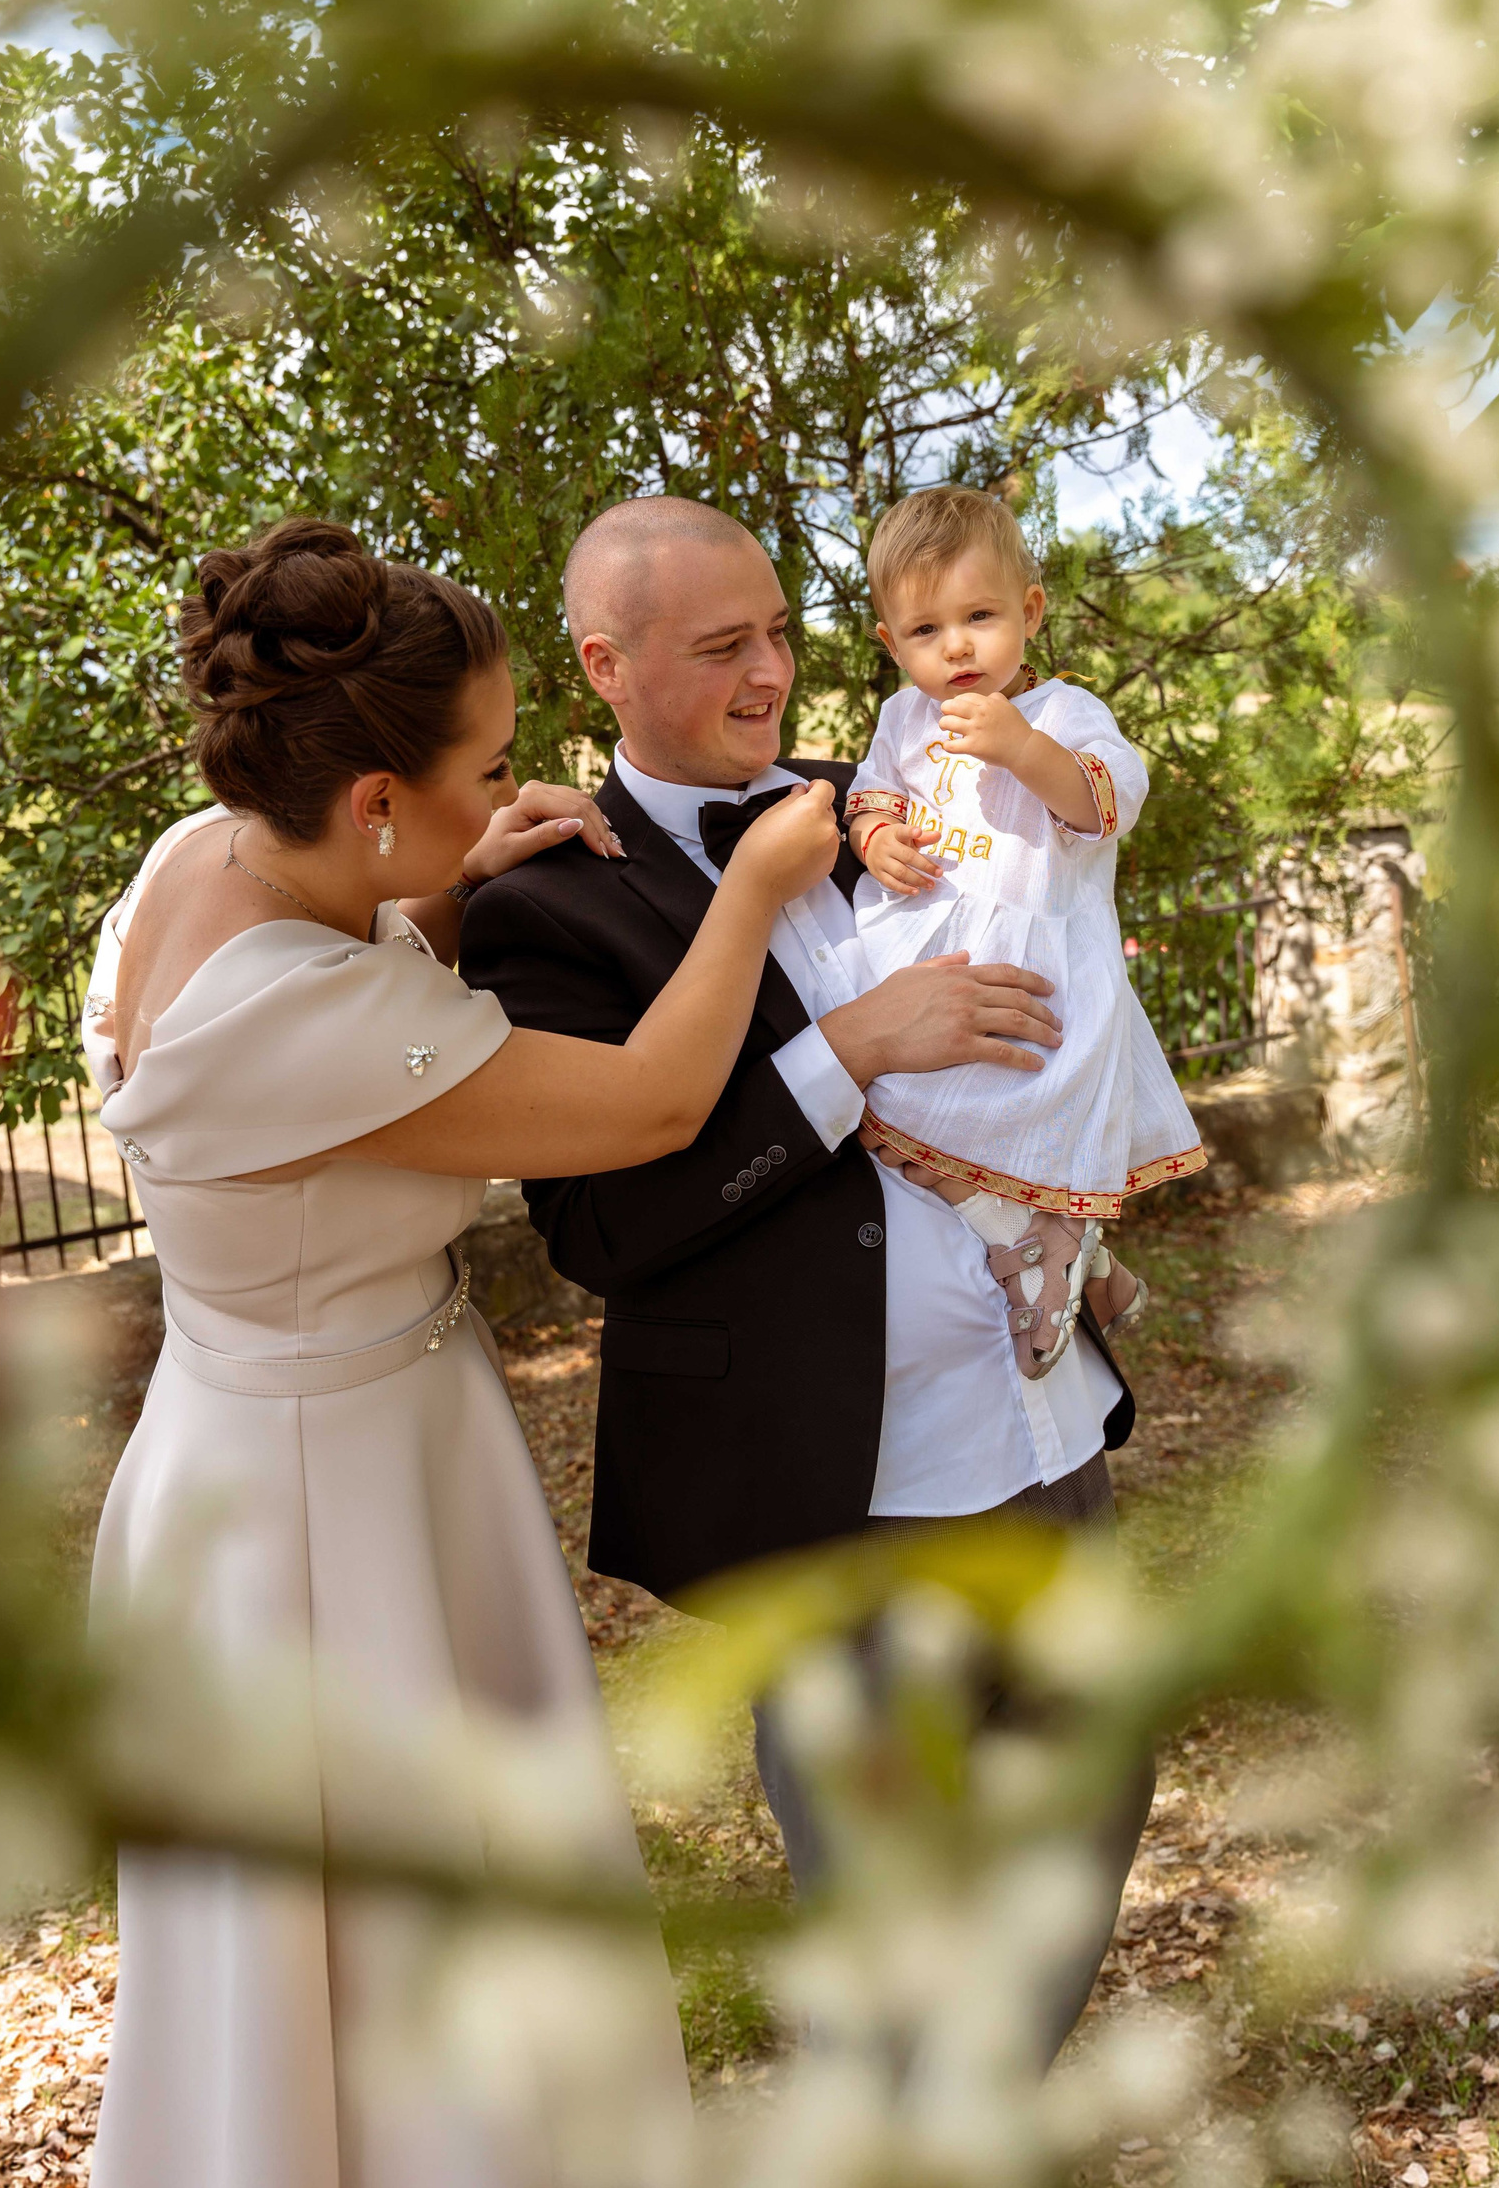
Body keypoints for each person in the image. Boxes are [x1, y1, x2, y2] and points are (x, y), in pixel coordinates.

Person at [81, 515, 841, 2188]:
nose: (514, 787)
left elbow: (344, 942)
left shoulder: (202, 853)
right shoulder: (293, 1015)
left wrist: (453, 865)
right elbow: (647, 1101)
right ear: (369, 795)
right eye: (486, 767)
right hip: (330, 1510)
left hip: (262, 1436)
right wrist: (753, 892)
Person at [458, 494, 1156, 2066]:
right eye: (722, 646)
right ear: (605, 665)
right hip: (843, 1480)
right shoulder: (548, 903)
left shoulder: (888, 784)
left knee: (1089, 1797)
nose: (771, 671)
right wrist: (847, 1048)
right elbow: (601, 1229)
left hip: (1037, 1422)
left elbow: (1062, 885)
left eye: (777, 630)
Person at [843, 487, 1203, 1376]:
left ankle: (1054, 1247)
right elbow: (871, 792)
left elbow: (1107, 803)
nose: (956, 645)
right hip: (930, 956)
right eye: (925, 630)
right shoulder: (902, 717)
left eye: (979, 616)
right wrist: (876, 837)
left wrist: (1021, 747)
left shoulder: (1061, 712)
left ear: (1029, 612)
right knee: (878, 1119)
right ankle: (1069, 1257)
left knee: (1008, 1132)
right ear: (890, 644)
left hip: (1030, 969)